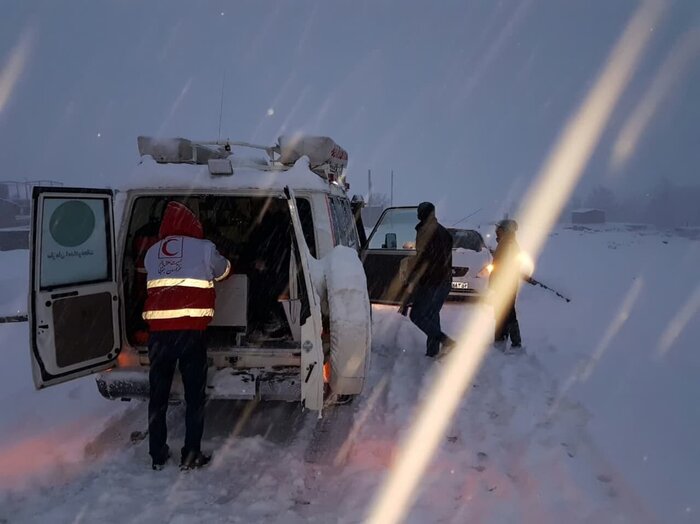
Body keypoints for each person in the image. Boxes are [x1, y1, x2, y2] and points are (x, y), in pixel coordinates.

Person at [142, 201, 231, 470]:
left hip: (158, 336)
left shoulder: (153, 251)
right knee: (194, 398)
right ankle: (191, 455)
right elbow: (224, 270)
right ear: (193, 224)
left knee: (158, 398)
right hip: (191, 334)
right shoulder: (204, 248)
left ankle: (157, 454)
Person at [401, 202, 456, 357]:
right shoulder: (443, 232)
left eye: (420, 212)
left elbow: (425, 259)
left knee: (417, 315)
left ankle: (446, 342)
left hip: (433, 282)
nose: (418, 215)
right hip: (443, 280)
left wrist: (413, 277)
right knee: (432, 315)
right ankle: (432, 352)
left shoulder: (426, 231)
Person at [489, 219, 522, 350]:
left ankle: (515, 341)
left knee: (508, 312)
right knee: (502, 311)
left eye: (499, 229)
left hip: (506, 285)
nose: (496, 231)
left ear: (506, 230)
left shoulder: (508, 245)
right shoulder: (505, 243)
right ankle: (501, 338)